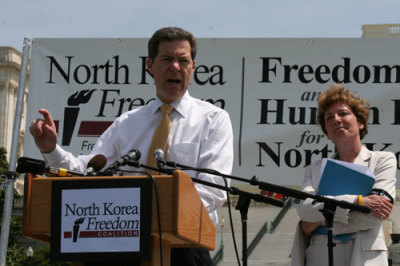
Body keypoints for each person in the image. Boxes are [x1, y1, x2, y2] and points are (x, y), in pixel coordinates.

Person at [29, 27, 234, 265]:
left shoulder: (213, 119)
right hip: (121, 245)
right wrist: (51, 150)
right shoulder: (127, 123)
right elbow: (87, 169)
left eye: (183, 60)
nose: (175, 67)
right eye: (167, 59)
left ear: (193, 67)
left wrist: (153, 211)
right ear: (150, 66)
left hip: (185, 247)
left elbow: (215, 188)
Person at [290, 84, 397, 266]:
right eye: (329, 117)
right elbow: (305, 209)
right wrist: (358, 201)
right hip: (320, 256)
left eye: (343, 113)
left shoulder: (383, 160)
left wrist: (320, 225)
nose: (336, 119)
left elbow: (375, 215)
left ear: (360, 122)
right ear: (327, 133)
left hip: (365, 258)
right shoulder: (314, 169)